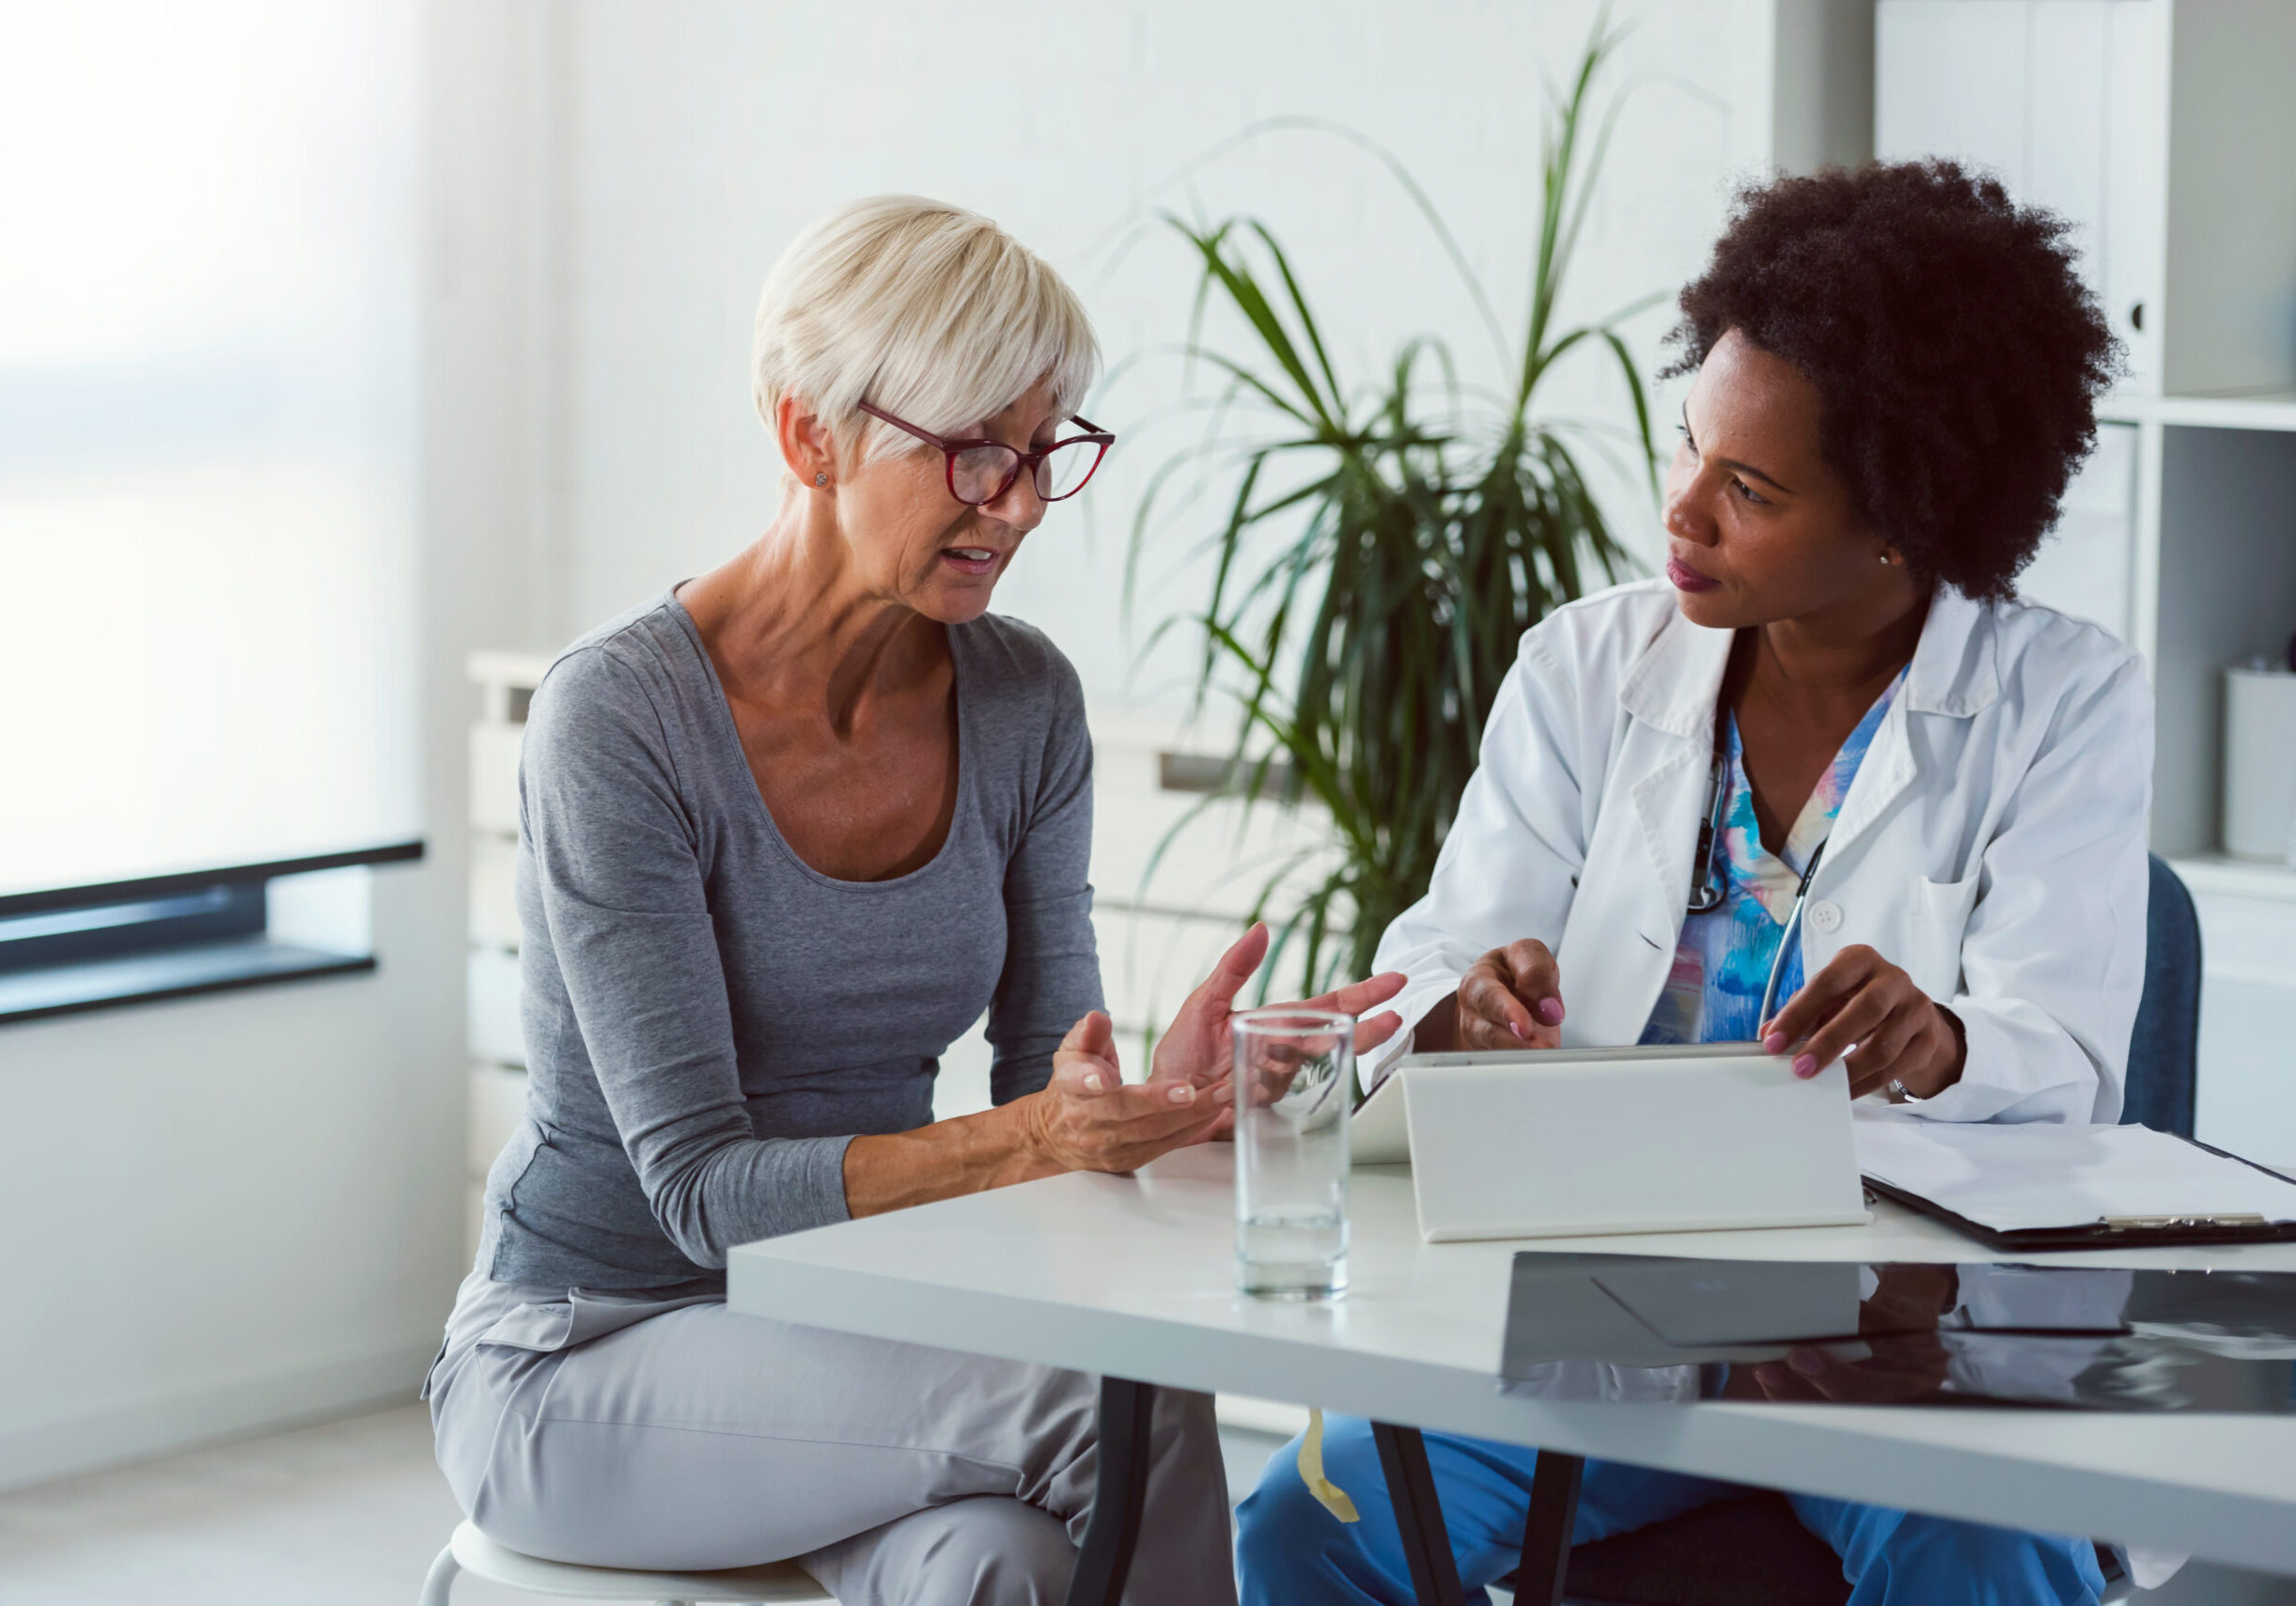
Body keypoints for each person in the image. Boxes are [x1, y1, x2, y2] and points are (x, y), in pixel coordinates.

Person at [422, 194, 1403, 1606]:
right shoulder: (621, 719)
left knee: (996, 1565)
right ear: (808, 434)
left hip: (852, 1335)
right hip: (583, 1355)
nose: (1014, 503)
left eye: (1041, 451)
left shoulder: (1021, 701)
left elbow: (1044, 1094)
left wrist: (1160, 1110)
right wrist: (1037, 1134)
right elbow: (702, 1195)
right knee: (1110, 1397)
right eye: (971, 453)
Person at [1237, 160, 2143, 1605]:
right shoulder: (1587, 670)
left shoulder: (2062, 701)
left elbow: (2067, 1050)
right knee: (1313, 1522)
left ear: (1901, 515)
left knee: (1985, 1548)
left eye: (1750, 487)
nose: (1682, 514)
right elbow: (1430, 958)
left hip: (1892, 1325)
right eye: (1687, 448)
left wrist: (1943, 1040)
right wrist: (1461, 1007)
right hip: (1604, 1297)